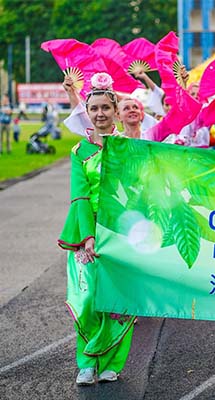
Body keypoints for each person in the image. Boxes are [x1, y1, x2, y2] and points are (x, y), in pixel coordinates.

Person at [57, 73, 135, 386]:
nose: (100, 113)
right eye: (94, 108)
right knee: (87, 300)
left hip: (121, 234)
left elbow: (137, 192)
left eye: (106, 107)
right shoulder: (79, 152)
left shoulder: (130, 148)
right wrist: (89, 236)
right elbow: (79, 195)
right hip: (84, 235)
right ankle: (87, 362)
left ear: (115, 111)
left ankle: (112, 362)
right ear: (87, 113)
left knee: (118, 302)